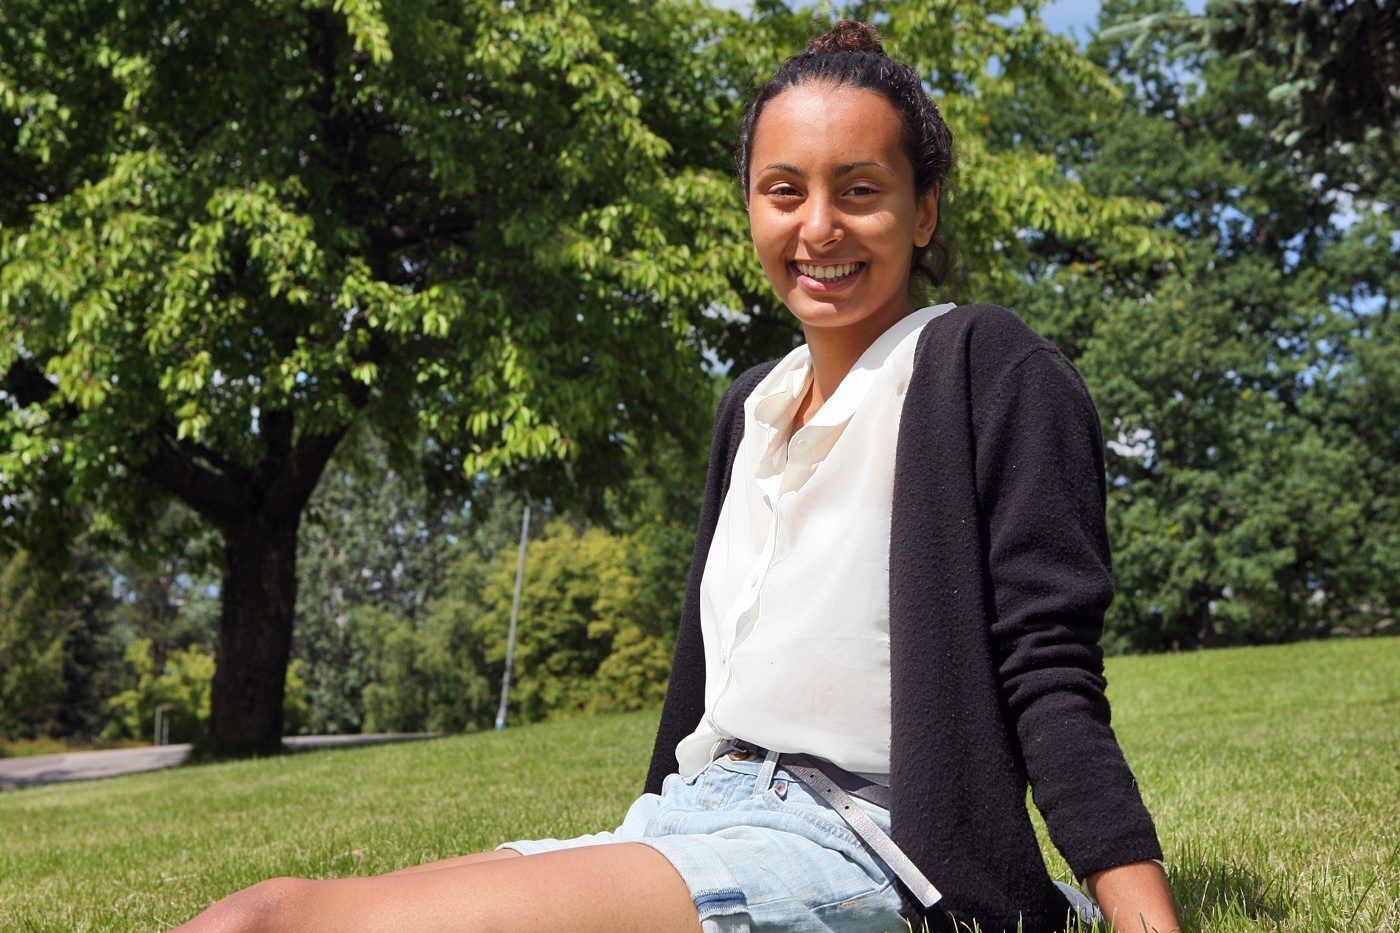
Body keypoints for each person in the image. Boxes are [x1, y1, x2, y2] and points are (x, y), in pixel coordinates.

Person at [174, 20, 1181, 933]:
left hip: (858, 847)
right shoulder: (751, 406)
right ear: (749, 208)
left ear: (922, 212)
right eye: (783, 190)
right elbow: (709, 693)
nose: (818, 227)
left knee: (276, 923)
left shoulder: (983, 367)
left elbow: (1048, 668)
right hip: (688, 817)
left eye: (859, 191)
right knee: (253, 911)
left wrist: (1136, 911)